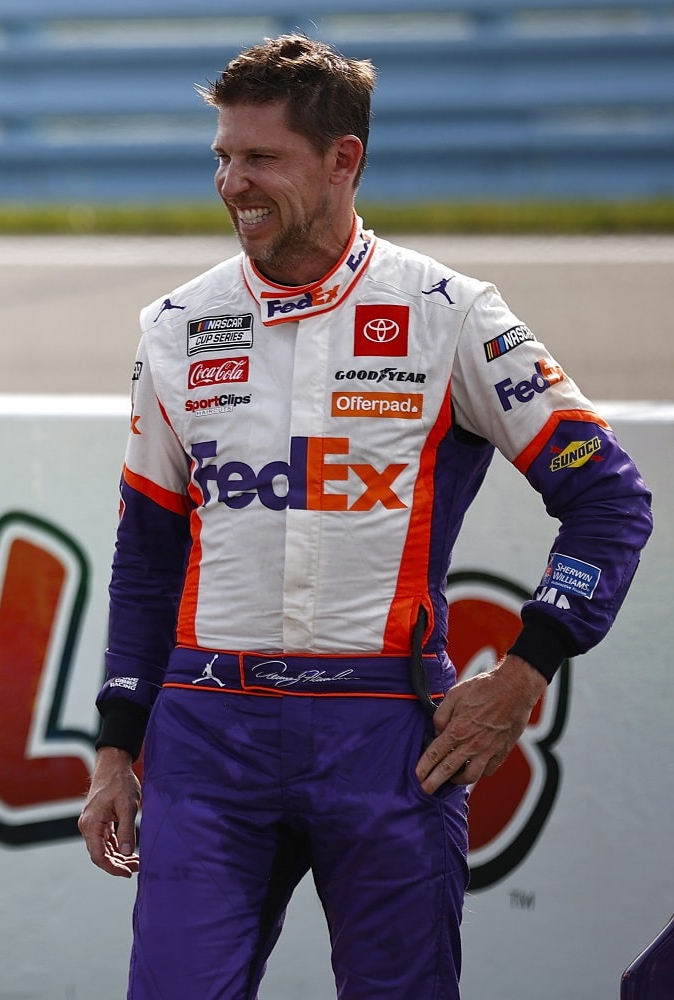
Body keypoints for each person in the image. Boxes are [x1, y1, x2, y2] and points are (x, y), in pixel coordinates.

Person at [77, 34, 653, 999]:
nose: (232, 182)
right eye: (222, 155)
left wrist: (525, 671)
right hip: (210, 731)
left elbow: (609, 500)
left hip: (388, 733)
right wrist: (112, 749)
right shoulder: (175, 325)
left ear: (344, 159)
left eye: (260, 158)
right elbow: (146, 558)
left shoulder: (451, 313)